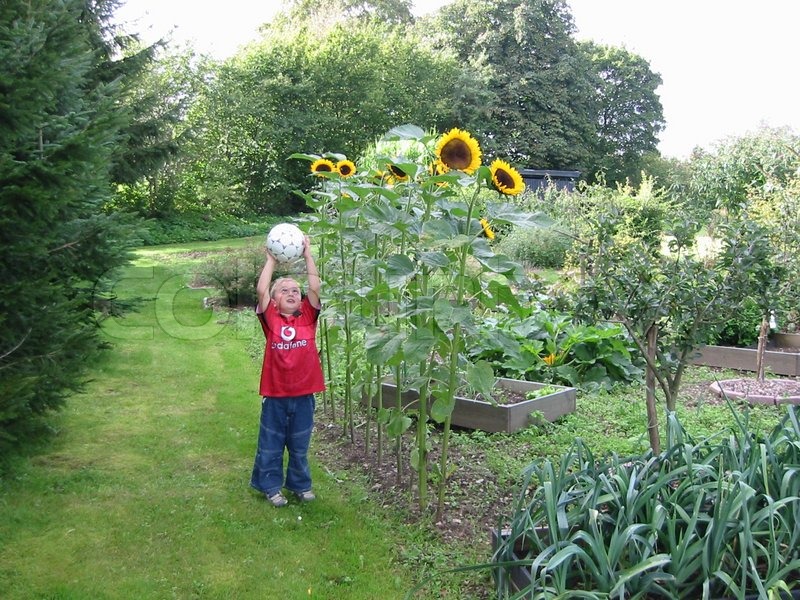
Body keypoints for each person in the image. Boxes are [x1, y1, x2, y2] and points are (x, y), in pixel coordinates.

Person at [250, 235, 325, 507]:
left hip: (304, 397)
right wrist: (270, 260)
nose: (292, 293)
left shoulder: (307, 317)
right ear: (274, 301)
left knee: (299, 446)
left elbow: (315, 288)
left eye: (295, 290)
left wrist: (308, 255)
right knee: (271, 445)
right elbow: (260, 291)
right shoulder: (271, 321)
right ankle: (270, 487)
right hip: (276, 397)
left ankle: (300, 485)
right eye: (283, 291)